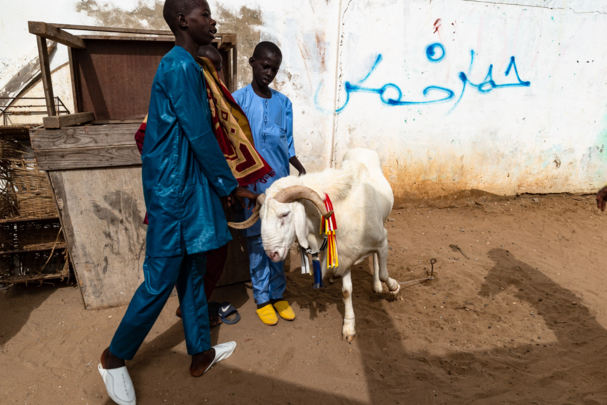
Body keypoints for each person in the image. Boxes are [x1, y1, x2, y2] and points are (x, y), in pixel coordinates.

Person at [98, 1, 256, 404]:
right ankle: (114, 359)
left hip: (189, 188)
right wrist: (228, 185)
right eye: (205, 14)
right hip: (174, 193)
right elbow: (199, 133)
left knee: (195, 267)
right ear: (184, 21)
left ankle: (200, 351)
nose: (213, 20)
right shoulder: (180, 66)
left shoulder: (186, 65)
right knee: (160, 280)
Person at [134, 44, 238, 328]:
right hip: (178, 194)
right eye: (211, 71)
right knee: (164, 275)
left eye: (218, 72)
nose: (216, 78)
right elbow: (148, 140)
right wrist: (176, 177)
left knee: (205, 259)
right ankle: (116, 354)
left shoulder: (211, 101)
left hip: (203, 190)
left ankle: (197, 333)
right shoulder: (179, 74)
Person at [233, 42, 306, 326]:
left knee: (279, 240)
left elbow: (287, 143)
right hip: (251, 188)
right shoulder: (237, 101)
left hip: (279, 186)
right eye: (264, 66)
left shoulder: (284, 103)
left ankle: (278, 295)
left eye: (274, 69)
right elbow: (231, 144)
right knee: (256, 242)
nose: (269, 73)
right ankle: (263, 298)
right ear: (252, 62)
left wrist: (298, 165)